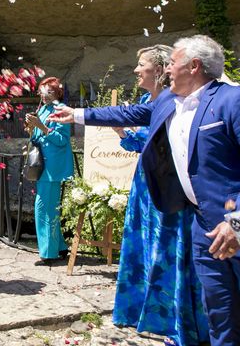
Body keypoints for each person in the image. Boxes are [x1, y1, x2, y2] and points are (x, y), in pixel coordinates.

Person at [49, 35, 240, 346]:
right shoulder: (166, 101)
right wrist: (77, 115)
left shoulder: (232, 101)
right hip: (202, 228)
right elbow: (125, 114)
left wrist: (236, 223)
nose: (166, 72)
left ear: (193, 66)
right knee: (220, 312)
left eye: (173, 65)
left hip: (232, 226)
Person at [110, 45, 208, 346]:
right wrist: (124, 134)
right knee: (145, 245)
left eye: (142, 65)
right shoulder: (142, 100)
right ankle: (143, 312)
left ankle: (176, 321)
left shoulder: (178, 102)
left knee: (168, 250)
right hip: (144, 183)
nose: (137, 70)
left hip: (169, 185)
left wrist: (130, 133)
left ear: (160, 69)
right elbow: (137, 144)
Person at [24, 77, 73, 265]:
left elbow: (62, 139)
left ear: (57, 93)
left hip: (53, 167)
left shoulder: (61, 110)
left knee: (43, 208)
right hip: (43, 166)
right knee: (49, 208)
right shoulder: (43, 108)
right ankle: (59, 247)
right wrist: (31, 126)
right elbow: (37, 135)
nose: (44, 95)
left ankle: (48, 252)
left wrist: (41, 126)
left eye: (49, 92)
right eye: (42, 91)